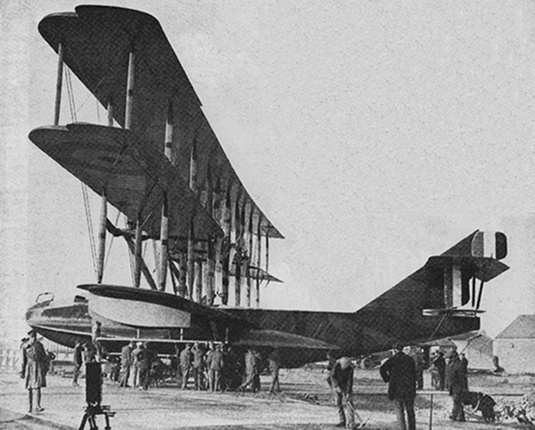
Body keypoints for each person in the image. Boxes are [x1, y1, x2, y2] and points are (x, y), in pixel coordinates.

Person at [380, 343, 417, 430]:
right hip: (409, 388)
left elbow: (382, 369)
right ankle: (412, 428)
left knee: (399, 410)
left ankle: (402, 428)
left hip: (396, 389)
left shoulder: (392, 360)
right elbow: (414, 374)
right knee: (410, 410)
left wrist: (388, 379)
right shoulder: (410, 359)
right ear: (402, 349)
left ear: (394, 350)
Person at [20, 330, 47, 413]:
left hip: (38, 366)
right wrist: (22, 371)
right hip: (29, 366)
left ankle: (38, 406)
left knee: (38, 386)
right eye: (32, 337)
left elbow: (44, 357)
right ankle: (30, 406)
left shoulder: (40, 345)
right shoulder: (25, 346)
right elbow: (23, 360)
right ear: (29, 337)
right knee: (29, 387)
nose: (33, 338)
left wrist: (44, 369)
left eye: (34, 337)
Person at [330, 357, 358, 428]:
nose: (344, 368)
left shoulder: (350, 369)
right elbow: (332, 376)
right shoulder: (336, 366)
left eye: (346, 367)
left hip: (345, 387)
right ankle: (342, 420)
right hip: (337, 386)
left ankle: (351, 423)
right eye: (343, 366)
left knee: (349, 404)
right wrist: (336, 386)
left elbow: (350, 381)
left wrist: (348, 392)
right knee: (338, 403)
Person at [445, 350, 467, 422]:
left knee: (456, 401)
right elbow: (448, 376)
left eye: (448, 358)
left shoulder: (458, 365)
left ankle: (454, 415)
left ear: (452, 358)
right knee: (457, 401)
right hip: (453, 387)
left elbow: (462, 377)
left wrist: (464, 388)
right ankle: (461, 416)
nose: (446, 359)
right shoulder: (450, 365)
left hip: (458, 387)